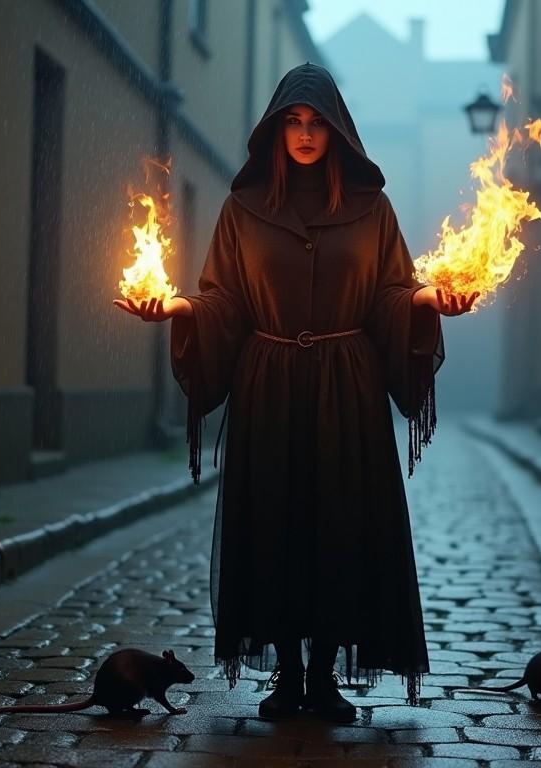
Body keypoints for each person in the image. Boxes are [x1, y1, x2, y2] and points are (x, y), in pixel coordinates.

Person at [115, 63, 477, 723]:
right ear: (276, 130)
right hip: (269, 386)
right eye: (294, 121)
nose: (306, 133)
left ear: (337, 130)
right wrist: (179, 312)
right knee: (274, 526)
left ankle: (324, 677)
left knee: (341, 526)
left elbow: (393, 293)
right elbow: (222, 299)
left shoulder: (372, 210)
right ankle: (285, 674)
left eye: (317, 122)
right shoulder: (242, 210)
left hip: (348, 391)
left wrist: (428, 298)